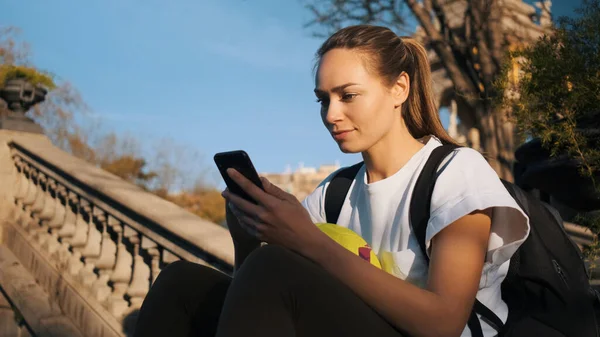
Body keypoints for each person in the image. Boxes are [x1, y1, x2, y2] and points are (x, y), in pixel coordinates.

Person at [133, 24, 529, 337]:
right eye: (323, 99)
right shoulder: (334, 194)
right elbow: (264, 296)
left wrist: (311, 242)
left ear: (400, 88)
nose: (330, 114)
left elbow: (443, 322)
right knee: (181, 282)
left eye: (348, 95)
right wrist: (247, 233)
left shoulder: (455, 171)